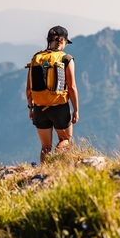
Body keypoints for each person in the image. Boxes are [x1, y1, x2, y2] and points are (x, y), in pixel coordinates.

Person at [26, 25, 80, 164]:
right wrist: (76, 110)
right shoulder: (66, 58)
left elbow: (29, 88)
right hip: (59, 107)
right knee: (65, 139)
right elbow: (72, 87)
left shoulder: (37, 57)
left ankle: (44, 172)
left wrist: (31, 107)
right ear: (62, 40)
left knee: (45, 146)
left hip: (39, 108)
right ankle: (57, 164)